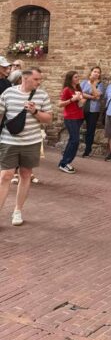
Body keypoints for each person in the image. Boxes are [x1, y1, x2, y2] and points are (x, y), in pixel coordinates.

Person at [0, 67, 52, 226]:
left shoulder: (42, 95)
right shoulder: (8, 93)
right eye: (36, 79)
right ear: (25, 78)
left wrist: (35, 111)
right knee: (5, 176)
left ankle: (17, 211)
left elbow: (48, 119)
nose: (39, 82)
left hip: (31, 142)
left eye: (40, 79)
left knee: (25, 174)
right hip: (9, 141)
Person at [58, 71, 85, 173]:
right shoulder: (66, 89)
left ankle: (65, 162)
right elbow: (60, 104)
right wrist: (72, 100)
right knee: (75, 140)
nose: (78, 79)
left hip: (79, 117)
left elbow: (80, 105)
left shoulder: (78, 89)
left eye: (78, 77)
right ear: (70, 79)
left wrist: (81, 100)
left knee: (73, 140)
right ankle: (64, 163)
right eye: (75, 77)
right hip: (70, 117)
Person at [79, 66, 104, 158]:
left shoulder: (100, 84)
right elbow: (79, 93)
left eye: (98, 72)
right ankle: (73, 147)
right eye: (95, 71)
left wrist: (93, 85)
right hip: (81, 108)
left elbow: (97, 95)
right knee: (76, 127)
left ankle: (87, 151)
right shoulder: (84, 82)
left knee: (90, 130)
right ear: (91, 72)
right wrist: (91, 96)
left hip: (93, 111)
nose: (96, 73)